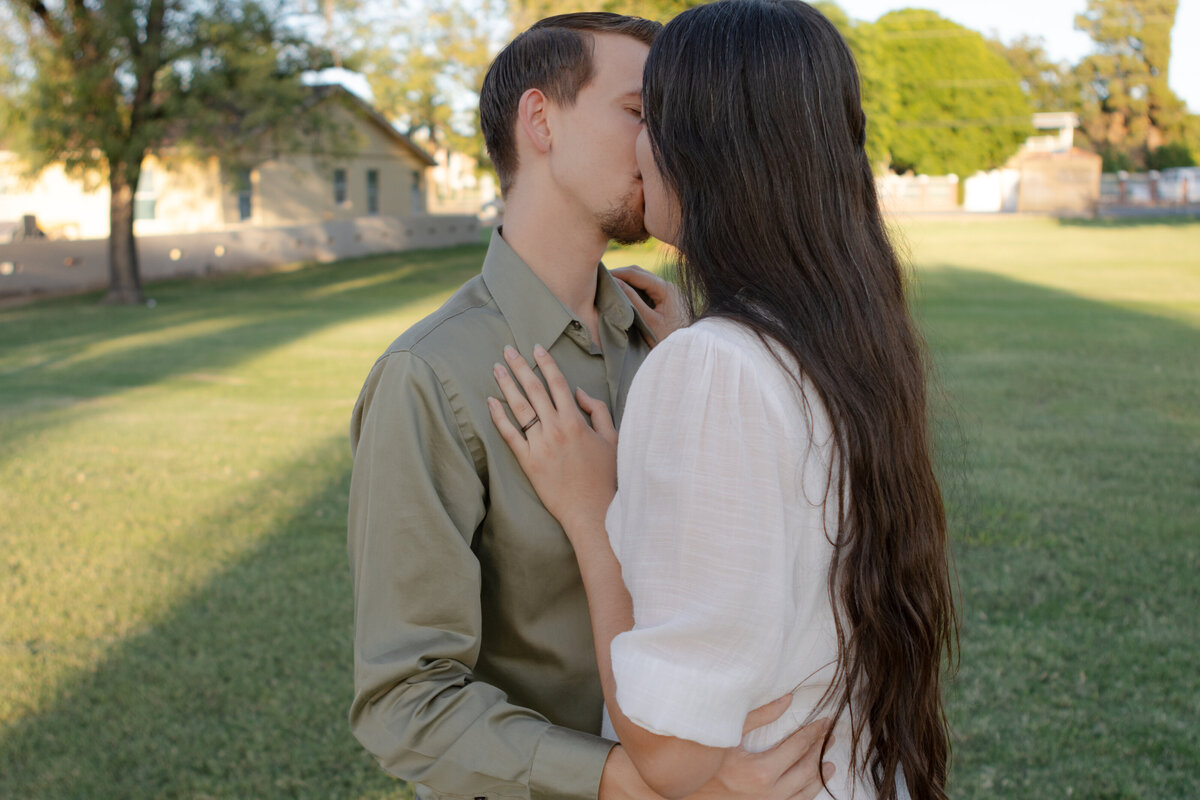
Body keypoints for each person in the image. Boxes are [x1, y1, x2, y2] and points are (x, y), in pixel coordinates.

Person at [347, 11, 834, 800]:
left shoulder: (679, 349)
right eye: (643, 114)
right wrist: (639, 785)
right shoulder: (429, 376)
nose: (665, 145)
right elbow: (404, 702)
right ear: (540, 120)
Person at [487, 2, 958, 799]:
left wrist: (592, 513)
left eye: (651, 117)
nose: (640, 146)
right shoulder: (845, 340)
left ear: (707, 147)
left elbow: (671, 755)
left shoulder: (716, 366)